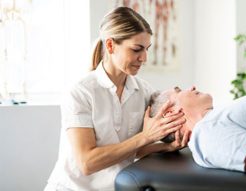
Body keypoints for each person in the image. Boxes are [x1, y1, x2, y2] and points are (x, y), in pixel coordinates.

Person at [45, 7, 188, 191]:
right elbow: (87, 163)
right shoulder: (81, 93)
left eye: (146, 49)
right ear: (111, 45)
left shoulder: (143, 91)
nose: (144, 58)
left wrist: (164, 147)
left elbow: (129, 150)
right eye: (137, 49)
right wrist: (146, 136)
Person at [150, 86, 246, 179]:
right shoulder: (207, 134)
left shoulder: (212, 123)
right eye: (180, 90)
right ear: (170, 113)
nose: (192, 87)